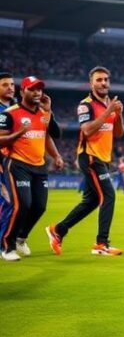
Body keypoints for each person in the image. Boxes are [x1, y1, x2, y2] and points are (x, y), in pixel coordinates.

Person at [46, 67, 124, 256]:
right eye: (99, 80)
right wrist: (109, 112)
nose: (103, 83)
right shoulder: (86, 104)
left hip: (103, 158)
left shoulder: (111, 104)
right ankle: (101, 244)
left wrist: (119, 114)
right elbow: (87, 130)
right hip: (90, 156)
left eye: (106, 79)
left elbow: (119, 133)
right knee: (109, 196)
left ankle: (58, 230)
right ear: (91, 83)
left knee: (91, 201)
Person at [0, 77, 64, 261]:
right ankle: (7, 247)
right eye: (32, 89)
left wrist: (57, 155)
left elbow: (51, 136)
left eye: (39, 90)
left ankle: (21, 238)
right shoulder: (10, 113)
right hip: (17, 164)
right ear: (22, 92)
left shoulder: (43, 113)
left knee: (40, 206)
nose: (37, 93)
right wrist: (20, 132)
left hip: (39, 165)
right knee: (22, 205)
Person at [0, 72, 17, 248]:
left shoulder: (17, 108)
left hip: (13, 165)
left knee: (14, 204)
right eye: (5, 84)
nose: (10, 87)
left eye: (12, 84)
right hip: (2, 166)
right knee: (6, 203)